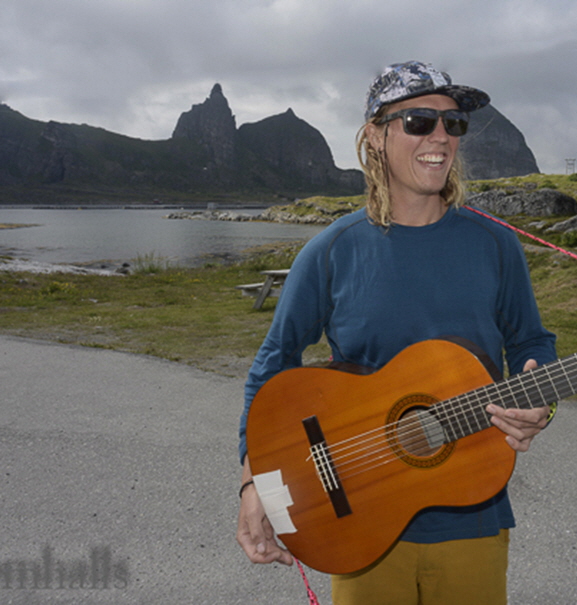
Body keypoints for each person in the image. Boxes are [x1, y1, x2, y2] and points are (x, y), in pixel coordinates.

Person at [236, 60, 558, 605]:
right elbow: (273, 365)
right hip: (357, 523)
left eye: (453, 124)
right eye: (418, 122)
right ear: (375, 136)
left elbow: (532, 343)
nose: (441, 137)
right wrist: (254, 485)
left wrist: (541, 401)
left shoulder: (495, 245)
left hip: (474, 514)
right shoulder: (331, 252)